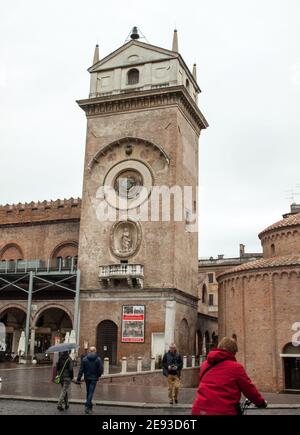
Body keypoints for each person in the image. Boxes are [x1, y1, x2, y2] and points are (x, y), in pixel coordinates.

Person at [192, 337, 267, 415]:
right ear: (233, 352)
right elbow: (249, 389)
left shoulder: (205, 364)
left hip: (199, 410)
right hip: (223, 411)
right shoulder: (236, 367)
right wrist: (260, 402)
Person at [76, 346, 103, 414]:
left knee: (88, 392)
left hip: (87, 378)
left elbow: (81, 370)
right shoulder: (98, 359)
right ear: (95, 351)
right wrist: (98, 375)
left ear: (89, 351)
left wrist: (78, 379)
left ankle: (89, 407)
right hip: (94, 378)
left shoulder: (84, 359)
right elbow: (101, 370)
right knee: (90, 393)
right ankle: (87, 406)